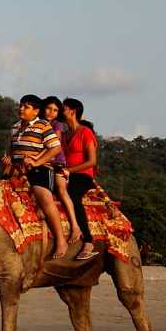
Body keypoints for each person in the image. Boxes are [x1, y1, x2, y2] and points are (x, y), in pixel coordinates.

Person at [2, 94, 68, 259]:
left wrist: (38, 162)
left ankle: (61, 240)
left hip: (39, 170)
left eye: (26, 107)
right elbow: (12, 149)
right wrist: (7, 159)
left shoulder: (43, 125)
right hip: (17, 169)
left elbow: (55, 148)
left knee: (44, 196)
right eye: (21, 105)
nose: (21, 109)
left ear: (36, 111)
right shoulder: (15, 127)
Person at [61, 97, 101, 260]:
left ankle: (88, 240)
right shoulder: (64, 134)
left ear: (73, 111)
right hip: (65, 174)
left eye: (63, 108)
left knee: (72, 195)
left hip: (82, 175)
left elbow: (92, 161)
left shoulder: (85, 132)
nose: (61, 111)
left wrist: (69, 170)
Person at [42, 95, 83, 244]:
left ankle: (75, 225)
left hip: (56, 162)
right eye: (48, 108)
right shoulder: (36, 124)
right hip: (40, 162)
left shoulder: (57, 125)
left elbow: (55, 144)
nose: (50, 112)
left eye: (55, 110)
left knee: (61, 189)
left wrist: (42, 159)